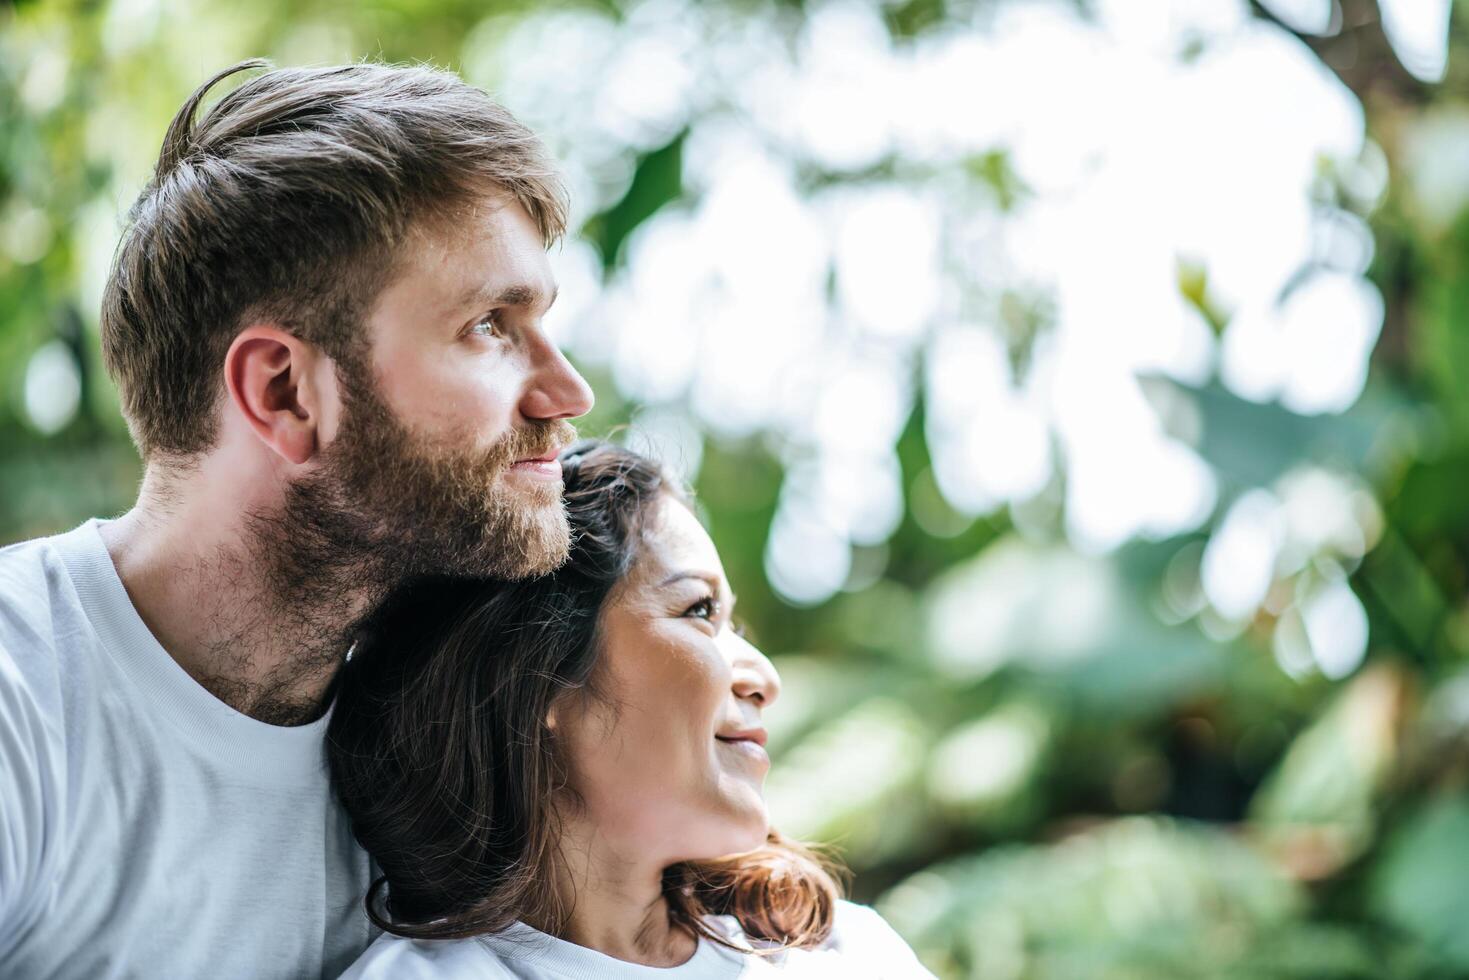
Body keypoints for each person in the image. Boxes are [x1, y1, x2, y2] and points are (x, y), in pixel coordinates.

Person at [0, 60, 593, 978]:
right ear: (283, 391)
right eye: (489, 325)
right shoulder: (21, 693)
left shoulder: (447, 752)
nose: (567, 392)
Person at [328, 441, 937, 979]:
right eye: (700, 612)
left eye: (735, 622)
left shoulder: (841, 949)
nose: (764, 678)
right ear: (542, 679)